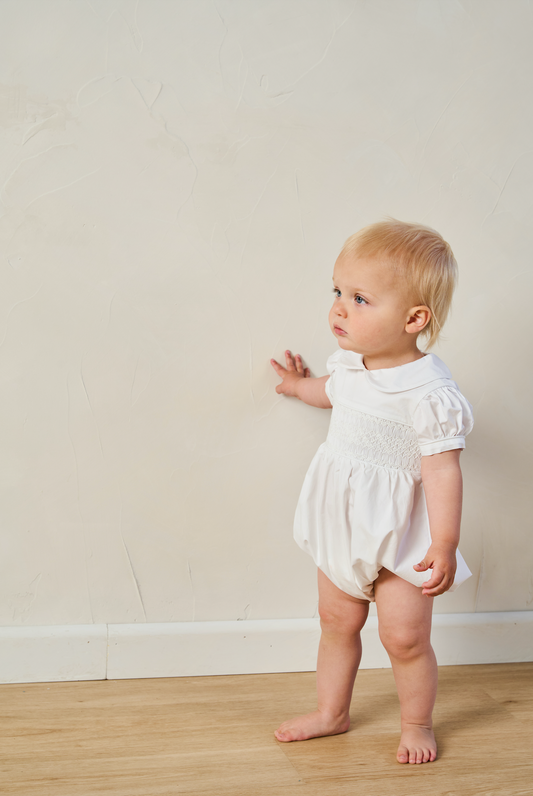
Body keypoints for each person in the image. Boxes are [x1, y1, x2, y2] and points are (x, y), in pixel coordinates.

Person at [270, 219, 474, 765]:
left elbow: (442, 470)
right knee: (336, 621)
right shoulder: (350, 366)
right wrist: (295, 386)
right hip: (341, 522)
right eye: (337, 292)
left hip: (403, 534)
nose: (339, 308)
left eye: (360, 299)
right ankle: (331, 712)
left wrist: (446, 542)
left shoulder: (430, 392)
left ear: (413, 319)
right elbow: (330, 392)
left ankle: (417, 723)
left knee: (404, 638)